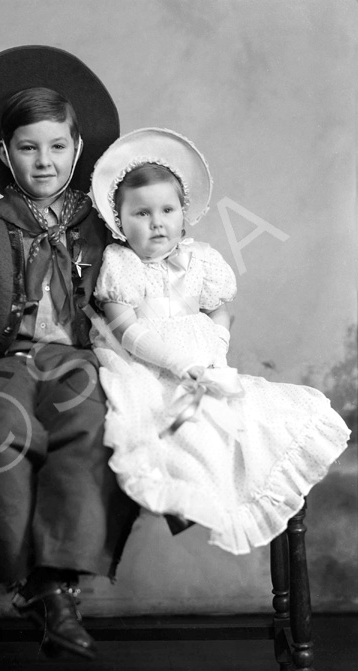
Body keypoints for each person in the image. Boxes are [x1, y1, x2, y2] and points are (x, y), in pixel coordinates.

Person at [0, 47, 138, 661]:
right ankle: (30, 580)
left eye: (57, 147)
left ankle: (56, 580)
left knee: (85, 426)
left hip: (78, 362)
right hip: (8, 361)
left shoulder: (105, 227)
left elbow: (137, 301)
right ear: (4, 154)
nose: (44, 161)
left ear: (78, 149)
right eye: (29, 148)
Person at [89, 127, 351, 554]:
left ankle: (244, 487)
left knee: (253, 418)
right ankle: (198, 492)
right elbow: (127, 331)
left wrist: (216, 344)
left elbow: (217, 308)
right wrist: (178, 364)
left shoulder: (202, 260)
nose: (157, 223)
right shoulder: (121, 264)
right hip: (149, 366)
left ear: (183, 213)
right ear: (119, 221)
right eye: (141, 214)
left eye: (167, 210)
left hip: (204, 360)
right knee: (181, 430)